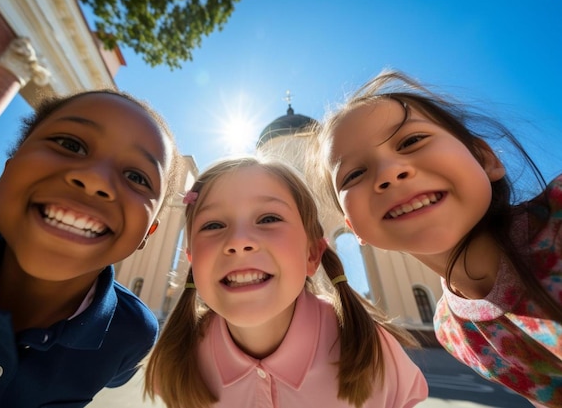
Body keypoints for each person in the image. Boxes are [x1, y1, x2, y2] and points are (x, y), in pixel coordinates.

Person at [315, 69, 562, 408]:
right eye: (355, 173)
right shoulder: (453, 330)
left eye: (411, 141)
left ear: (485, 159)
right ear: (353, 228)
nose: (389, 172)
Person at [0, 89, 180, 407]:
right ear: (4, 175)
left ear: (148, 232)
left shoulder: (130, 334)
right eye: (69, 144)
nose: (95, 180)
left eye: (136, 177)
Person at [144, 156, 428, 408]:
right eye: (213, 225)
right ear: (192, 257)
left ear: (312, 254)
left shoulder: (372, 349)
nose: (239, 242)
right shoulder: (178, 359)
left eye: (268, 218)